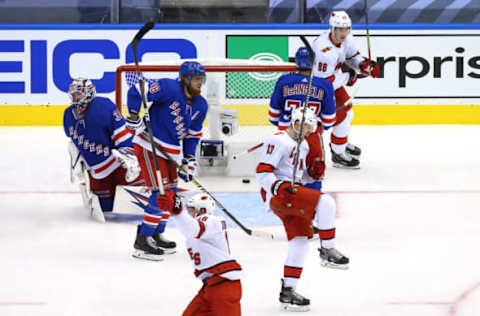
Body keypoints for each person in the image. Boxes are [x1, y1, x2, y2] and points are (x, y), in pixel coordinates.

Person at [256, 107, 349, 312]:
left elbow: (298, 177)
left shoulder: (304, 145)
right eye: (306, 126)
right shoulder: (277, 140)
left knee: (300, 242)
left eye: (310, 127)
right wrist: (277, 187)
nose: (308, 131)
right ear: (296, 122)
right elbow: (262, 174)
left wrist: (312, 175)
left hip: (290, 193)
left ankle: (288, 292)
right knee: (326, 202)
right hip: (279, 195)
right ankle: (327, 249)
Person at [126, 61, 208, 261]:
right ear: (185, 79)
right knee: (160, 193)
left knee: (170, 194)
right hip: (149, 146)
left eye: (201, 79)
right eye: (196, 79)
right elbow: (135, 91)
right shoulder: (168, 87)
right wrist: (135, 115)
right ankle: (143, 239)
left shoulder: (201, 105)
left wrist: (188, 159)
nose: (200, 83)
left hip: (171, 152)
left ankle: (156, 233)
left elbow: (192, 135)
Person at [63, 78, 145, 222]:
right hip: (98, 172)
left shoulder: (104, 106)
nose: (75, 98)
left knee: (138, 200)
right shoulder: (68, 115)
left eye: (79, 94)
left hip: (119, 164)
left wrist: (129, 154)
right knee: (106, 209)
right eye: (74, 95)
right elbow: (74, 143)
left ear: (89, 92)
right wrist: (76, 163)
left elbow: (121, 132)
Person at [312, 10, 380, 168]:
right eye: (339, 29)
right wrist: (349, 76)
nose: (343, 33)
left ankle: (340, 141)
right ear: (332, 29)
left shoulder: (347, 39)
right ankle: (338, 154)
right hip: (318, 87)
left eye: (346, 29)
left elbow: (352, 57)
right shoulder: (324, 51)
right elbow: (324, 84)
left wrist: (363, 65)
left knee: (349, 112)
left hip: (333, 81)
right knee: (341, 118)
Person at [159, 192, 243, 316]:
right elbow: (188, 228)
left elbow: (194, 228)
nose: (188, 213)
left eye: (191, 210)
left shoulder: (212, 220)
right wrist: (175, 209)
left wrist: (178, 211)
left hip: (224, 285)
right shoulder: (194, 228)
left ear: (202, 210)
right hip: (210, 287)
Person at [269, 46, 336, 191]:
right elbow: (329, 121)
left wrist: (285, 128)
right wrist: (314, 128)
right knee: (314, 174)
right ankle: (311, 206)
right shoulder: (325, 85)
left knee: (282, 178)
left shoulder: (283, 80)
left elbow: (273, 116)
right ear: (315, 62)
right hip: (311, 136)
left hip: (284, 136)